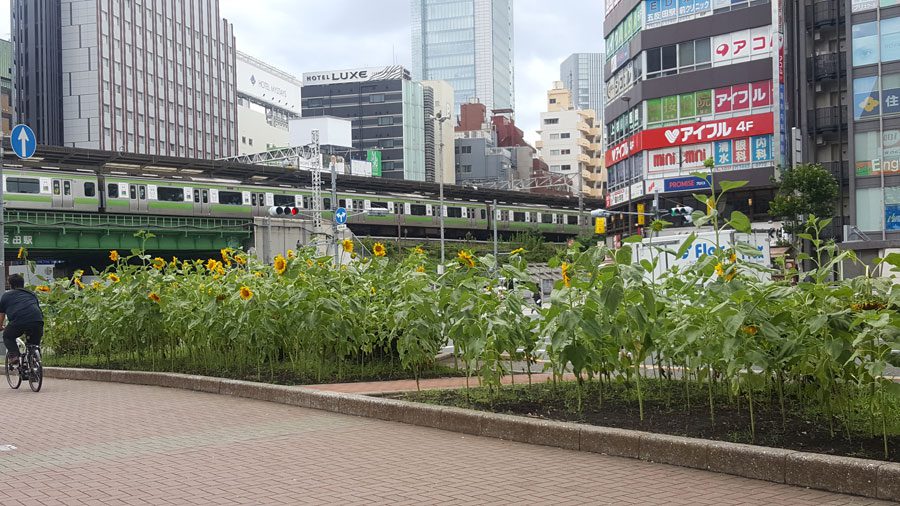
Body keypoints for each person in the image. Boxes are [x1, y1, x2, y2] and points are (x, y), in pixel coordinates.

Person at [0, 274, 44, 366]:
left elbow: (1, 315)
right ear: (23, 284)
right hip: (37, 321)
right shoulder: (32, 294)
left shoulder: (6, 296)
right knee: (34, 344)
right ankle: (35, 363)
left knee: (7, 336)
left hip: (19, 322)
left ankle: (14, 356)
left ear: (10, 284)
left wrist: (0, 326)